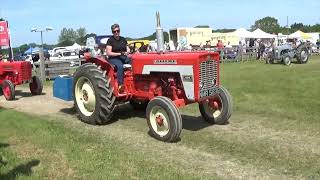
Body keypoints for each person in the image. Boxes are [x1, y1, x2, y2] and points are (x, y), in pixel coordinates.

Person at [106, 23, 131, 92]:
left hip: (123, 57)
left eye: (118, 30)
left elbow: (127, 48)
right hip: (114, 58)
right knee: (120, 66)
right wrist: (119, 53)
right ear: (112, 32)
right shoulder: (110, 40)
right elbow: (109, 53)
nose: (116, 32)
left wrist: (128, 51)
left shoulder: (123, 39)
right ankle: (120, 85)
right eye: (114, 31)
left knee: (134, 62)